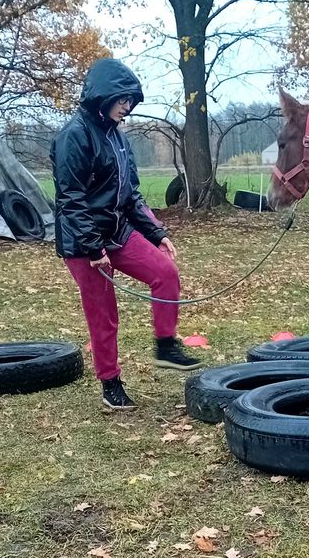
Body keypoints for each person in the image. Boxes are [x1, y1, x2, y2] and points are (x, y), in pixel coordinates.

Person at [50, 58, 201, 411]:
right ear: (103, 96)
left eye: (131, 101)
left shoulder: (117, 138)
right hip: (83, 241)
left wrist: (156, 232)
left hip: (118, 230)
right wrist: (92, 247)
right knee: (104, 314)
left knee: (165, 273)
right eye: (123, 99)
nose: (127, 107)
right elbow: (70, 199)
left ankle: (166, 346)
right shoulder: (74, 136)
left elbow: (131, 194)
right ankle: (110, 383)